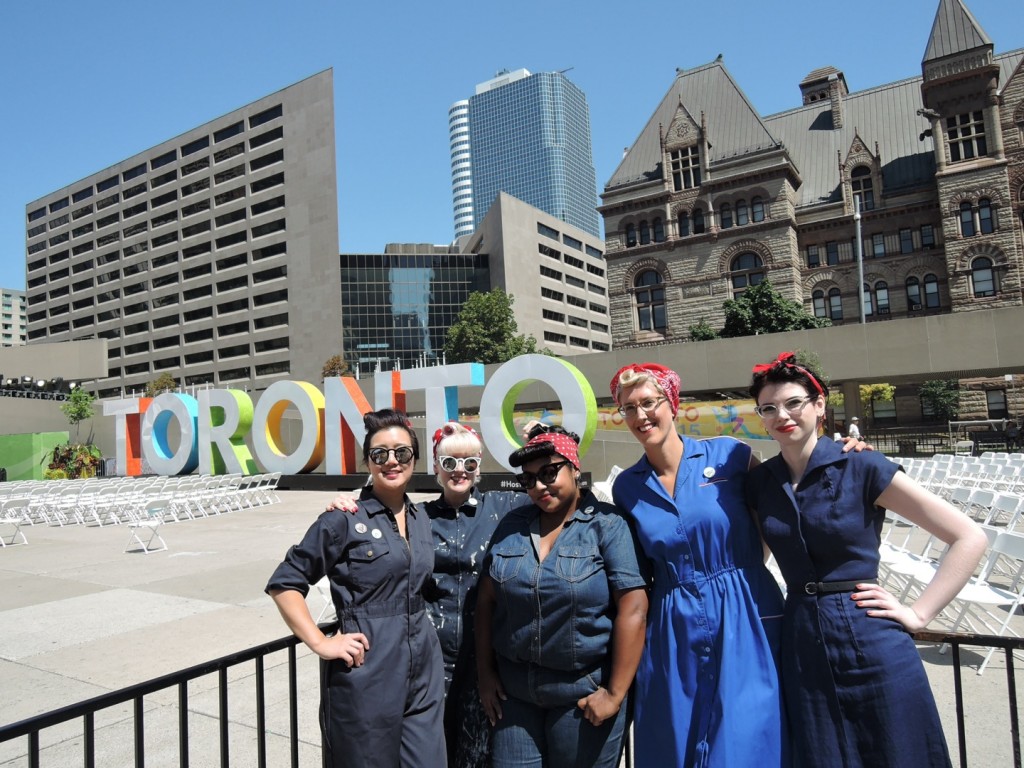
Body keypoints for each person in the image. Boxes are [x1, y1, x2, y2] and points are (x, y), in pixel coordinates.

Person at [746, 351, 988, 768]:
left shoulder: (862, 465)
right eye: (769, 408)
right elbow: (750, 558)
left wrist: (919, 614)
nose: (781, 415)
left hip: (870, 635)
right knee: (823, 753)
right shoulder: (760, 483)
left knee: (897, 749)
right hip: (802, 639)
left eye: (793, 403)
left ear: (819, 405)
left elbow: (968, 536)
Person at [608, 363, 788, 768]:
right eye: (628, 408)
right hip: (673, 620)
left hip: (745, 609)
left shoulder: (731, 457)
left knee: (746, 738)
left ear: (672, 403)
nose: (640, 416)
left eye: (648, 403)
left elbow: (775, 520)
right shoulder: (627, 487)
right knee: (676, 738)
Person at [266, 408, 446, 768]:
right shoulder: (343, 519)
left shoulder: (422, 518)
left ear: (415, 459)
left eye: (402, 452)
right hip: (368, 672)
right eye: (380, 454)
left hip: (423, 666)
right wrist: (320, 641)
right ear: (368, 461)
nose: (391, 461)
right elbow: (285, 583)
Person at [476, 425, 649, 768]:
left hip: (583, 697)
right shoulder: (512, 524)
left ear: (574, 467)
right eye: (528, 479)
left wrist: (614, 694)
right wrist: (484, 674)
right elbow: (485, 602)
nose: (539, 486)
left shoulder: (608, 525)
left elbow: (634, 607)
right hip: (515, 698)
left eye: (549, 472)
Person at [424, 423, 528, 768]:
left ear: (479, 467)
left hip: (483, 660)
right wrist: (348, 501)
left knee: (475, 756)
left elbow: (557, 488)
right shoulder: (416, 517)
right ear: (436, 465)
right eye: (450, 461)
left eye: (469, 462)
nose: (460, 471)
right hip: (431, 660)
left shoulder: (504, 507)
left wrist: (542, 439)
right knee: (432, 752)